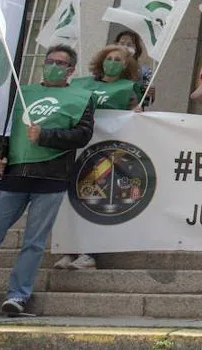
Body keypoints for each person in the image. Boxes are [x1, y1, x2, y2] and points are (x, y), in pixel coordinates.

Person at [0, 45, 95, 316]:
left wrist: (45, 136)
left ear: (71, 69)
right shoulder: (20, 94)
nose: (54, 66)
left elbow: (82, 135)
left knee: (34, 242)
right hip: (13, 176)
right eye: (50, 61)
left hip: (51, 178)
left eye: (61, 63)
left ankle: (18, 295)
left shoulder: (81, 97)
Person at [55, 44, 143, 270]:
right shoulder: (81, 84)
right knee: (71, 198)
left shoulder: (128, 88)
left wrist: (137, 115)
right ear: (101, 60)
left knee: (95, 199)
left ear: (126, 65)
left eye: (118, 59)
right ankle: (68, 249)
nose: (112, 62)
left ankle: (89, 252)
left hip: (104, 152)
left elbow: (136, 113)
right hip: (75, 148)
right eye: (109, 58)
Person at [115, 29, 155, 107]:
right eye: (122, 43)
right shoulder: (109, 66)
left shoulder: (145, 72)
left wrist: (149, 95)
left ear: (136, 49)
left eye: (129, 45)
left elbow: (148, 102)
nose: (125, 47)